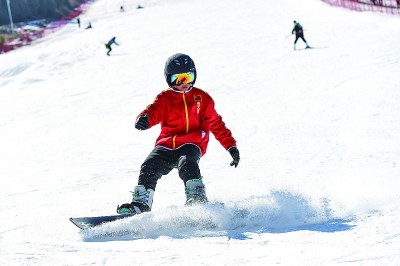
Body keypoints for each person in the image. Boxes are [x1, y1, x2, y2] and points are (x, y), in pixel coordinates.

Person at [117, 53, 240, 214]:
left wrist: (231, 146)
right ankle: (141, 204)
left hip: (191, 143)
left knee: (187, 162)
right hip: (166, 145)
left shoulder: (202, 99)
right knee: (149, 165)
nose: (184, 83)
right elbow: (152, 111)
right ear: (169, 80)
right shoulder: (164, 98)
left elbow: (216, 123)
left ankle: (196, 199)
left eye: (188, 77)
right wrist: (144, 119)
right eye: (178, 79)